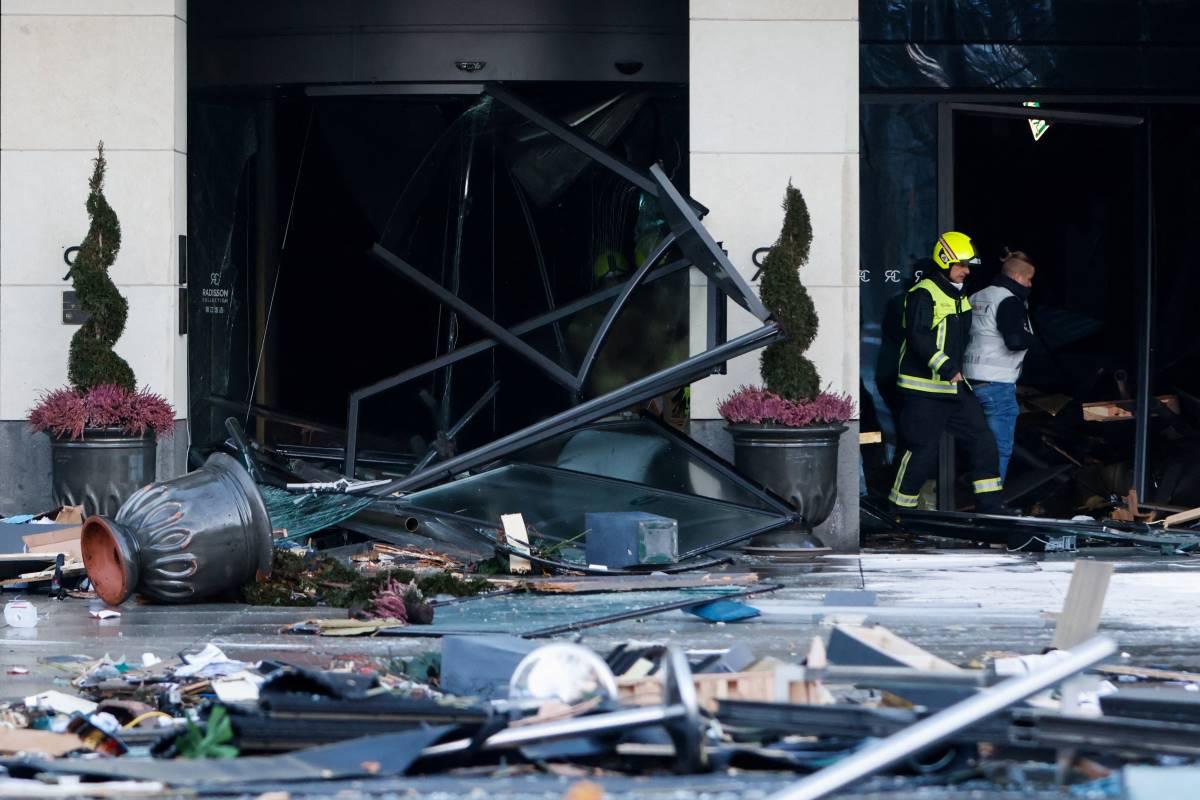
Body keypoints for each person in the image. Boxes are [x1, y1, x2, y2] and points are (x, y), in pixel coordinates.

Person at [889, 232, 1005, 513]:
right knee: (922, 452)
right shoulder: (924, 293)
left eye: (967, 265)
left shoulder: (957, 294)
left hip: (953, 389)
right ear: (944, 262)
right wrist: (947, 367)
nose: (966, 271)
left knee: (983, 442)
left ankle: (990, 509)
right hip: (924, 391)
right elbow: (919, 337)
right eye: (961, 265)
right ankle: (900, 513)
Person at [963, 250, 1036, 482]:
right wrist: (1033, 339)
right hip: (997, 385)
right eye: (1028, 278)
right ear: (1017, 277)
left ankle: (976, 500)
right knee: (999, 449)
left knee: (979, 447)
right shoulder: (1009, 301)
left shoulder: (976, 297)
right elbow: (1015, 341)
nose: (1030, 284)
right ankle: (991, 506)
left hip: (969, 382)